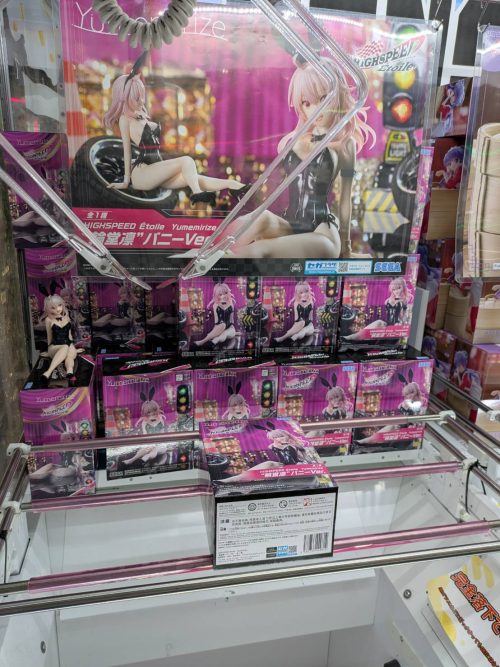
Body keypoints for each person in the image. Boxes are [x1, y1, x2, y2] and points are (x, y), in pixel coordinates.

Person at [231, 55, 375, 259]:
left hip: (322, 232)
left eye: (323, 99)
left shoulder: (344, 144)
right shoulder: (293, 140)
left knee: (262, 249)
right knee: (258, 219)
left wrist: (347, 249)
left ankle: (219, 259)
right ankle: (204, 254)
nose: (316, 110)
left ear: (337, 96)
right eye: (307, 103)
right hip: (290, 224)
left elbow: (345, 200)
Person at [103, 59, 248, 207]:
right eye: (135, 96)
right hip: (142, 173)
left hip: (155, 168)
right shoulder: (125, 119)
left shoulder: (143, 115)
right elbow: (126, 150)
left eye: (140, 95)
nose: (140, 99)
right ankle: (197, 193)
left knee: (192, 177)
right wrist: (125, 181)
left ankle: (233, 185)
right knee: (187, 161)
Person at [41, 295, 83, 381]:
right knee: (65, 347)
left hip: (68, 344)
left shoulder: (66, 317)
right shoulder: (48, 320)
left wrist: (74, 349)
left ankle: (69, 371)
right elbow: (49, 336)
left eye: (59, 305)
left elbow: (69, 335)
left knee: (69, 354)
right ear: (48, 309)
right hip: (55, 346)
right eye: (53, 308)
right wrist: (48, 351)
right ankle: (49, 371)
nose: (57, 309)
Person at [195, 283, 236, 347]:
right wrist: (215, 332)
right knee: (222, 325)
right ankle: (209, 341)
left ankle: (206, 341)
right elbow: (216, 322)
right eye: (220, 294)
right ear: (217, 295)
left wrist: (235, 332)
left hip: (230, 328)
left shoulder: (231, 304)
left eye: (225, 293)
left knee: (225, 333)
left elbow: (232, 320)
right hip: (220, 327)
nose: (223, 296)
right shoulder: (216, 305)